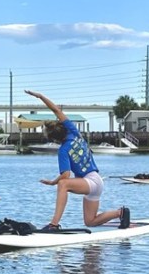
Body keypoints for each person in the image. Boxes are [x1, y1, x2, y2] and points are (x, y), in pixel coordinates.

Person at [24, 90, 129, 230]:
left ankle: (53, 224)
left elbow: (65, 176)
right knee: (90, 221)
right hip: (97, 181)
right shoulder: (75, 132)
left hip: (91, 181)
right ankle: (120, 213)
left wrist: (52, 182)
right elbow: (56, 110)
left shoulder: (63, 150)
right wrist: (41, 96)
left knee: (63, 184)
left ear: (54, 139)